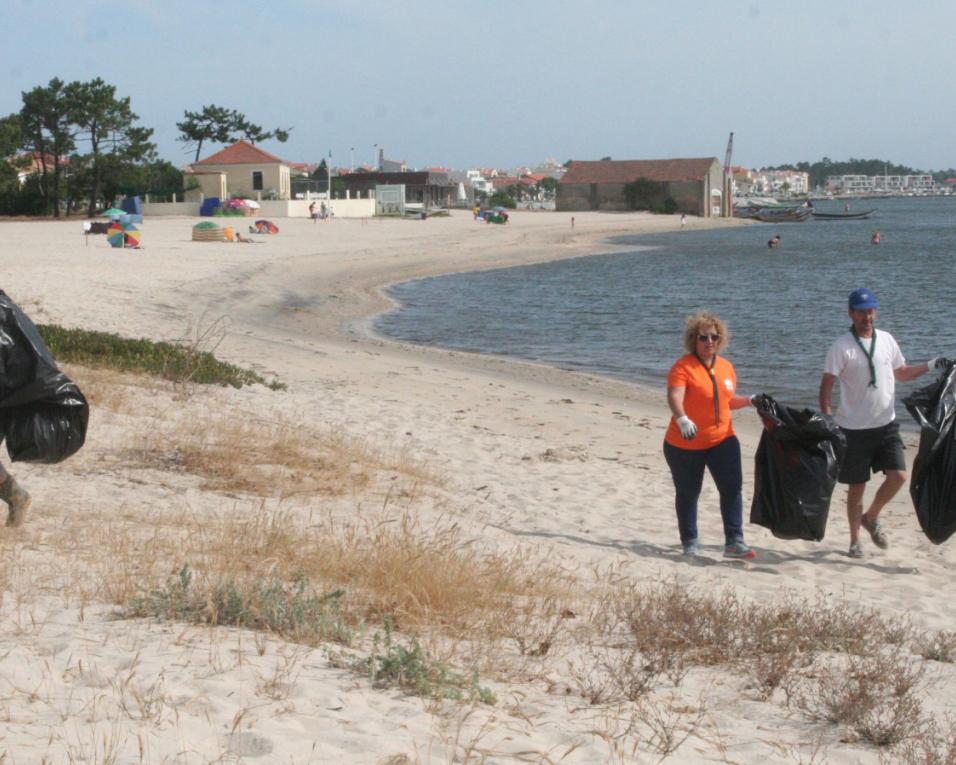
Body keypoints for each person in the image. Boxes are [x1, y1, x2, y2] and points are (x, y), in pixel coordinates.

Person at [819, 288, 949, 558]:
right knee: (857, 487)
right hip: (853, 429)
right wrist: (828, 418)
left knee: (899, 476)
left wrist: (931, 363)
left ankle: (872, 516)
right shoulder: (841, 346)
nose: (867, 316)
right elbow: (827, 385)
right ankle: (855, 541)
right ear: (851, 313)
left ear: (875, 312)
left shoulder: (887, 340)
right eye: (861, 311)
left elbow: (901, 373)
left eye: (870, 311)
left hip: (886, 425)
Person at [664, 312, 759, 559]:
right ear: (693, 340)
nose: (709, 342)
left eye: (714, 337)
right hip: (685, 442)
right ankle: (690, 541)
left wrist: (749, 401)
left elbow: (726, 402)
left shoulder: (726, 367)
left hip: (722, 439)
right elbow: (675, 396)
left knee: (732, 488)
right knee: (688, 493)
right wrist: (682, 418)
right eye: (702, 337)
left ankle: (734, 542)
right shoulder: (683, 367)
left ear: (720, 339)